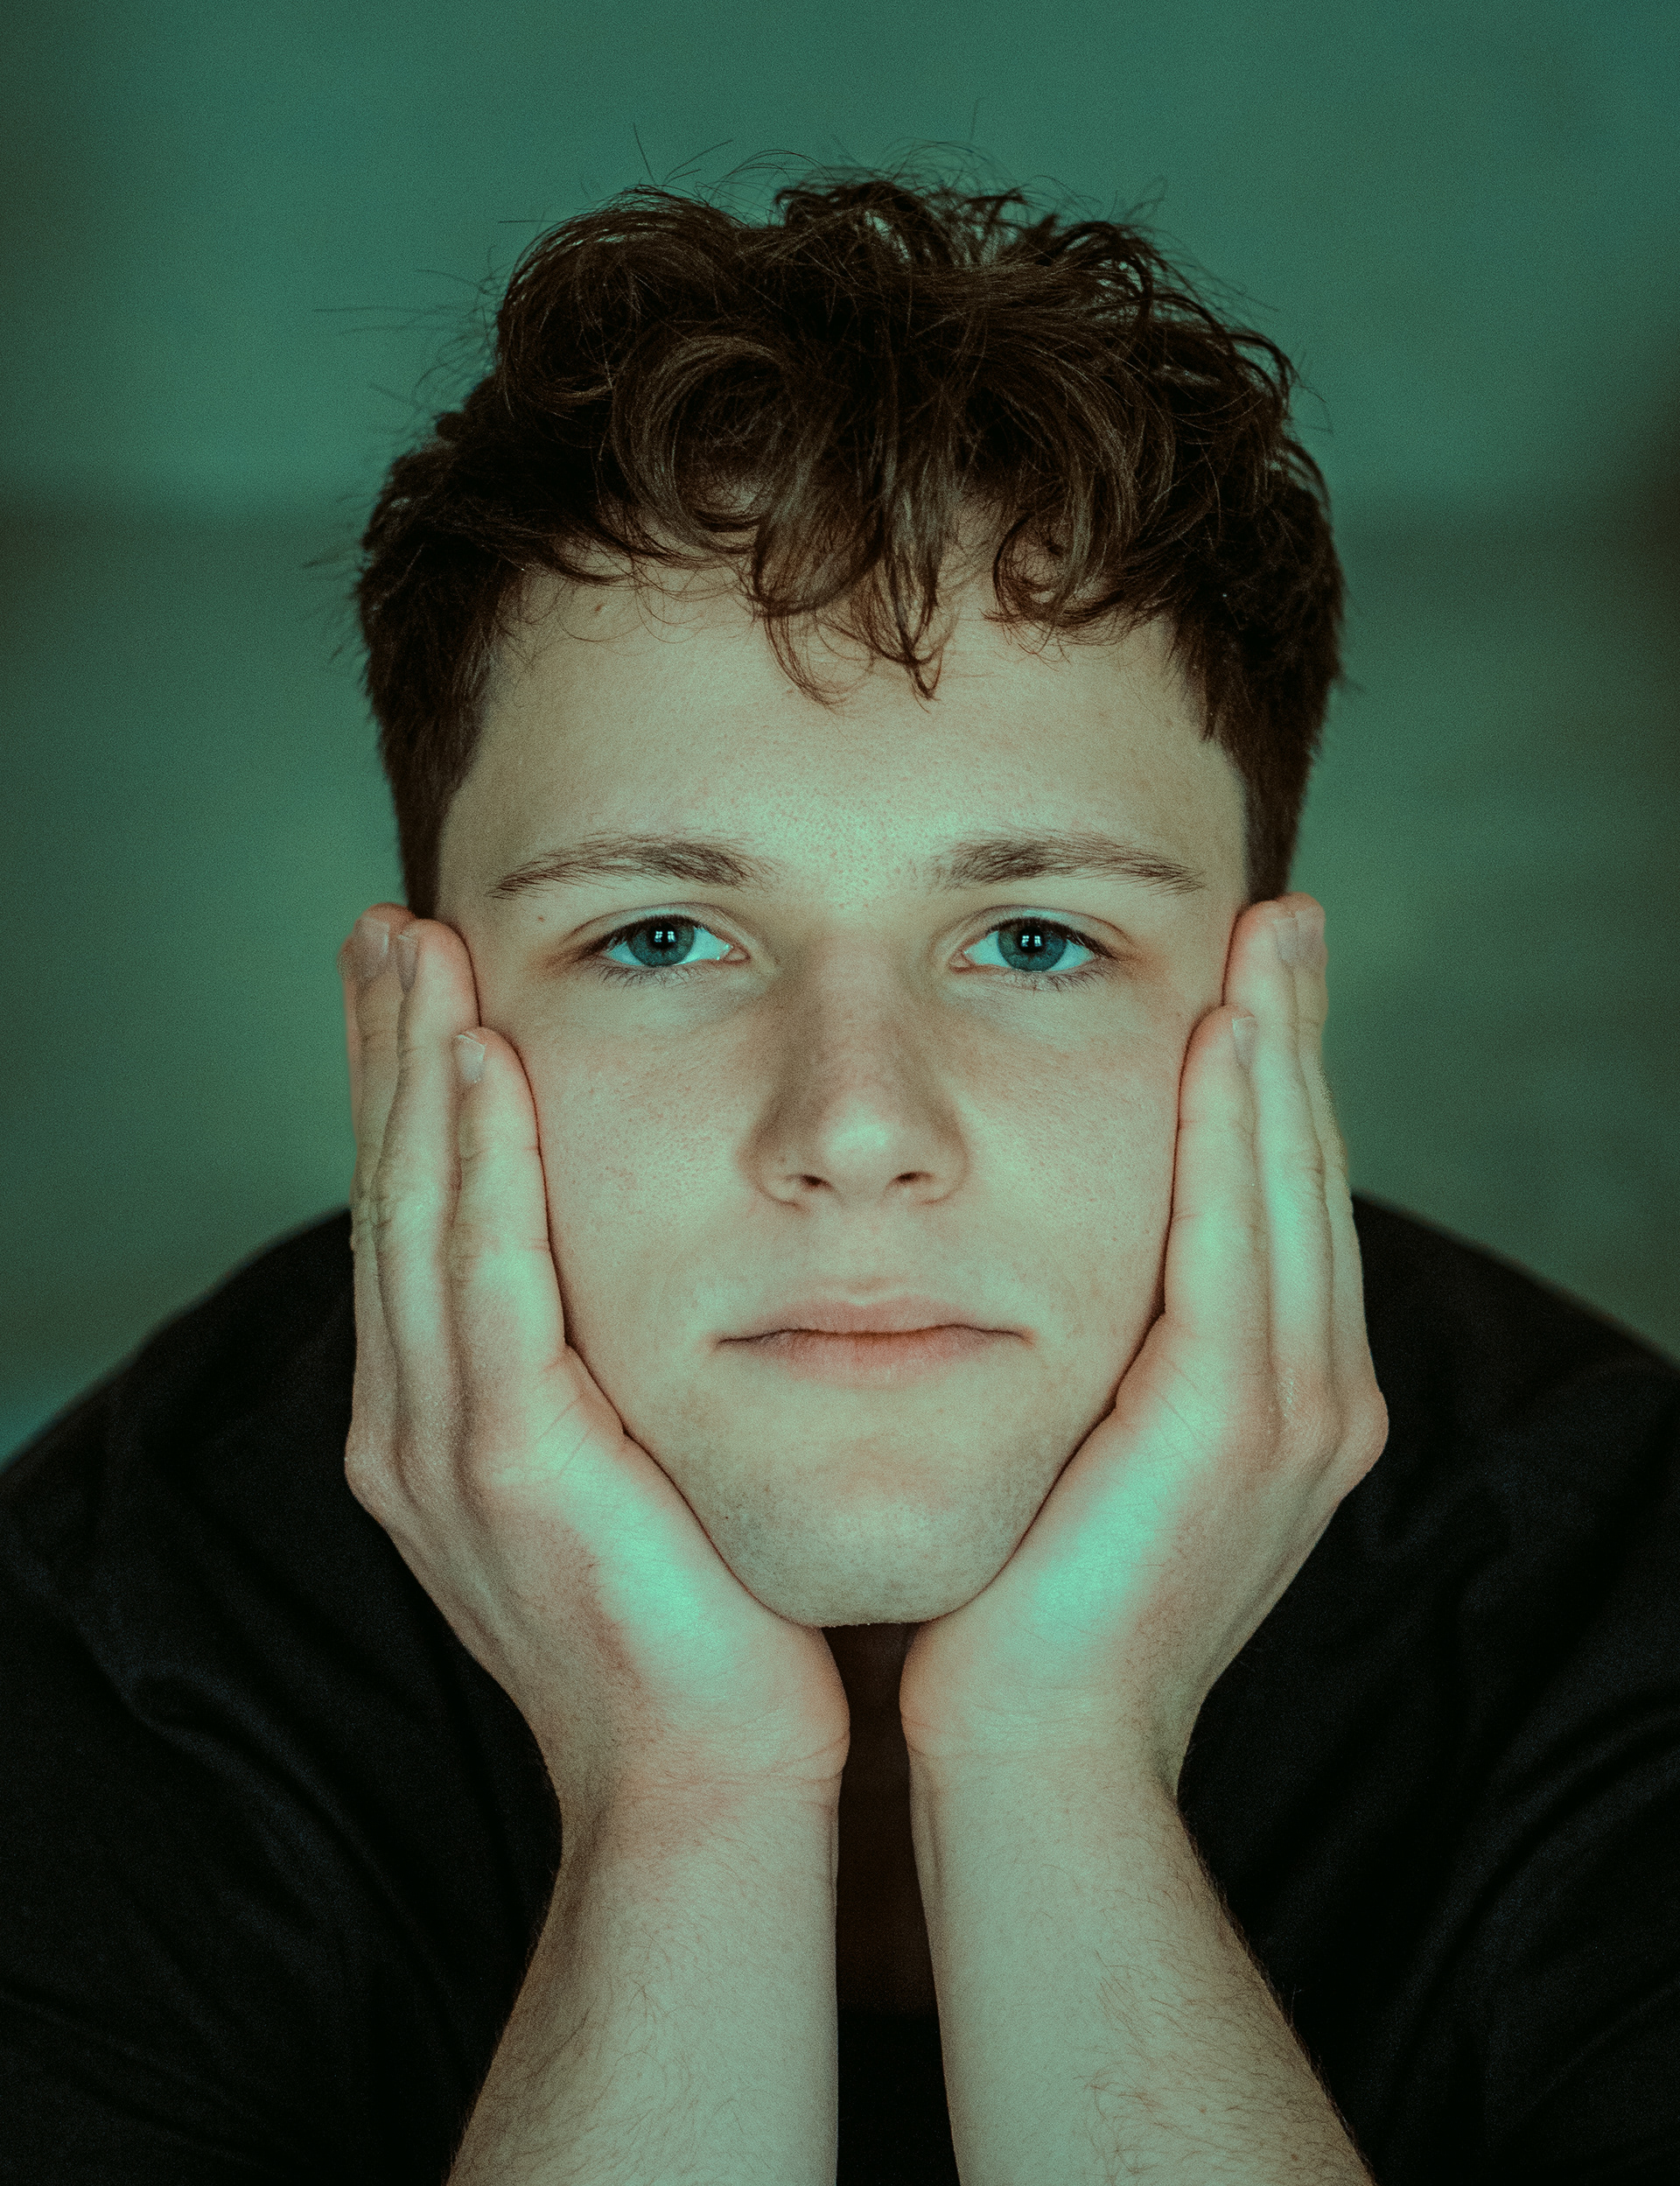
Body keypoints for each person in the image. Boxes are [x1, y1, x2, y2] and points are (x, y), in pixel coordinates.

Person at [3, 172, 1675, 2186]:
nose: (859, 1121)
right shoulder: (98, 1638)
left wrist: (1053, 1754)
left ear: (1272, 1016)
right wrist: (682, 1779)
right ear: (410, 1039)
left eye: (1037, 938)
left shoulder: (1631, 1587)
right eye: (659, 936)